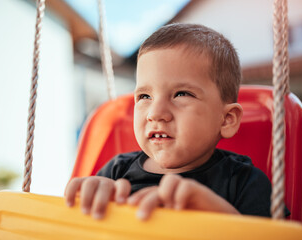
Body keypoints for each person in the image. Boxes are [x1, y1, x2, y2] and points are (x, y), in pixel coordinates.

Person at [65, 23, 272, 221]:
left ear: (226, 120)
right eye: (145, 96)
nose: (156, 113)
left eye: (181, 94)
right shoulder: (116, 173)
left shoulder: (243, 181)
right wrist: (91, 202)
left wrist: (211, 211)